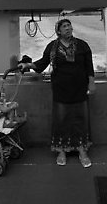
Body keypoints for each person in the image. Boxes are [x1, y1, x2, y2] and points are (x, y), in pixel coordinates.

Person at [18, 19, 95, 168]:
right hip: (61, 90)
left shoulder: (82, 45)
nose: (68, 28)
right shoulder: (52, 47)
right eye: (64, 26)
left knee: (80, 119)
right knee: (61, 120)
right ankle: (61, 151)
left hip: (80, 89)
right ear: (58, 31)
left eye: (69, 26)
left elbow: (89, 66)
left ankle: (82, 150)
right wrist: (28, 65)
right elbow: (41, 64)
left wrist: (91, 82)